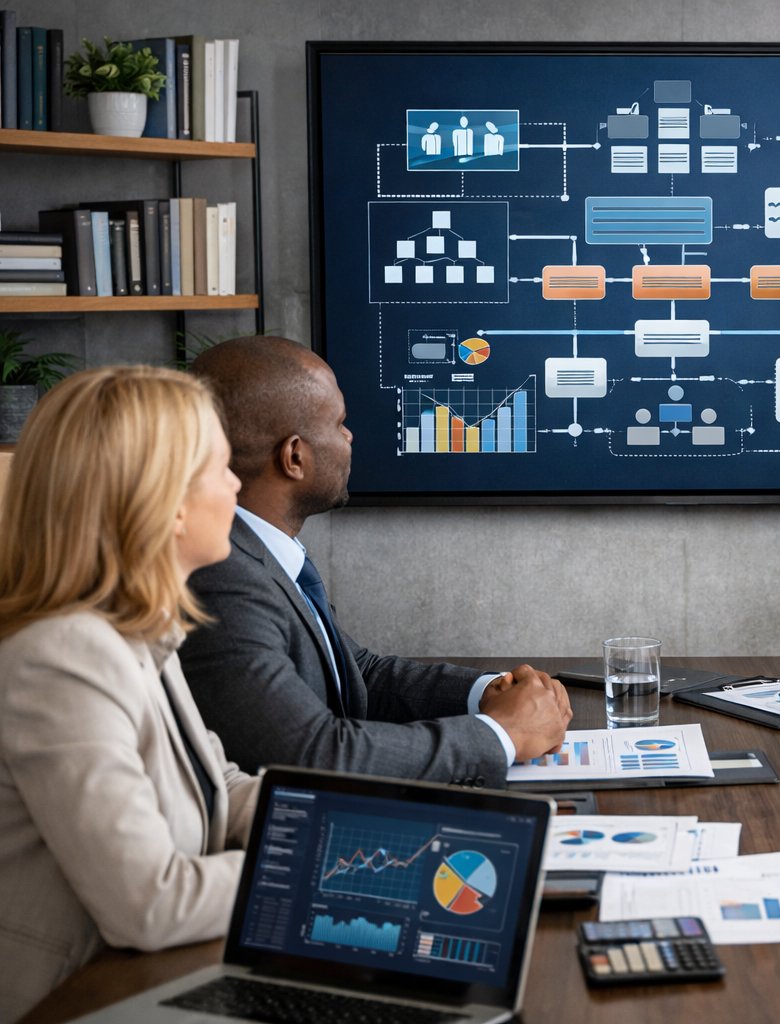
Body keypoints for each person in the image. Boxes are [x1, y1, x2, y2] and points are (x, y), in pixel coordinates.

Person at [178, 336, 570, 786]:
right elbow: (312, 754)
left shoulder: (258, 552)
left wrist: (491, 693)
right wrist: (502, 734)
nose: (350, 436)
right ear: (295, 457)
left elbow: (357, 674)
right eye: (339, 423)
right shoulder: (221, 577)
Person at [0, 367, 259, 1022]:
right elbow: (151, 903)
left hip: (151, 982)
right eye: (224, 469)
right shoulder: (61, 657)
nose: (237, 487)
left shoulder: (135, 631)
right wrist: (313, 876)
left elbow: (217, 788)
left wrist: (350, 825)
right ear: (167, 503)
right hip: (77, 1001)